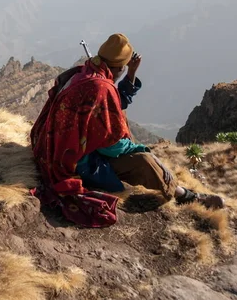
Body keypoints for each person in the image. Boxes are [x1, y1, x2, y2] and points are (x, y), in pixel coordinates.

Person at [30, 33, 224, 228]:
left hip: (51, 148)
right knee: (144, 161)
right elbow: (111, 146)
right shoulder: (101, 87)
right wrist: (143, 151)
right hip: (76, 163)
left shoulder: (85, 72)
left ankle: (180, 190)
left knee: (137, 153)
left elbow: (113, 103)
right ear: (120, 67)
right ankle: (185, 195)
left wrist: (131, 74)